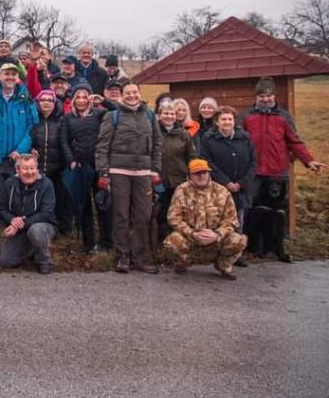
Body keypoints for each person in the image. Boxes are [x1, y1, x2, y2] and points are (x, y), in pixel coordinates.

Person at [240, 77, 325, 261]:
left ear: (274, 96)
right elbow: (239, 141)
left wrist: (308, 160)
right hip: (254, 172)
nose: (265, 99)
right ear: (256, 97)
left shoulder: (284, 116)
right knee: (250, 210)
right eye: (262, 96)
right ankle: (251, 246)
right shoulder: (246, 116)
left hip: (277, 172)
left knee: (277, 213)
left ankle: (276, 245)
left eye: (269, 95)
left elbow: (294, 141)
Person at [95, 83, 162, 274]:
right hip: (119, 172)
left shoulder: (150, 116)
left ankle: (141, 257)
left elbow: (157, 144)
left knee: (143, 216)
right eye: (128, 93)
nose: (132, 95)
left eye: (135, 92)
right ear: (122, 96)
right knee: (121, 216)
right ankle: (122, 255)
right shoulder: (112, 116)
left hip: (144, 173)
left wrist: (155, 169)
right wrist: (103, 172)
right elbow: (102, 146)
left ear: (140, 94)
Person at [0, 62, 38, 257]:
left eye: (13, 74)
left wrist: (21, 150)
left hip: (16, 160)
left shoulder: (25, 99)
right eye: (6, 74)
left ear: (17, 77)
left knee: (17, 200)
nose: (10, 77)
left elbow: (32, 127)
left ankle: (18, 240)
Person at [164, 159, 248, 280]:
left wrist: (217, 234)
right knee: (172, 240)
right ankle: (183, 263)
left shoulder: (222, 191)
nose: (201, 176)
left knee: (238, 240)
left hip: (216, 239)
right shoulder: (181, 191)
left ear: (209, 173)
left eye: (204, 172)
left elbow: (232, 220)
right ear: (190, 175)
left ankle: (223, 266)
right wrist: (193, 233)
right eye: (197, 173)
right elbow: (173, 218)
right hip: (192, 239)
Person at [199, 106, 256, 267]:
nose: (227, 122)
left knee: (238, 221)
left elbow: (253, 162)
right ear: (217, 121)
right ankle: (215, 253)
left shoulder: (245, 137)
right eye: (223, 119)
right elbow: (207, 162)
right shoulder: (208, 139)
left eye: (230, 119)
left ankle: (235, 254)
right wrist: (226, 182)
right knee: (216, 221)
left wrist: (241, 183)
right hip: (218, 188)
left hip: (240, 188)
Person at [60, 83, 113, 253]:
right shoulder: (68, 118)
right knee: (83, 206)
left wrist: (103, 100)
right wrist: (71, 159)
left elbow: (116, 112)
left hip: (98, 166)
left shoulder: (99, 114)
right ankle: (88, 243)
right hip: (80, 166)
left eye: (85, 97)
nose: (82, 100)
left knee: (103, 204)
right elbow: (64, 141)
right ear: (73, 100)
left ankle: (106, 242)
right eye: (78, 97)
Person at [0, 155, 58, 274]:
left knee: (35, 231)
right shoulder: (9, 183)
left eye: (32, 168)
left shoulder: (46, 184)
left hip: (43, 226)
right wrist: (12, 219)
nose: (29, 172)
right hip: (20, 229)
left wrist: (19, 224)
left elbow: (46, 213)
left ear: (37, 169)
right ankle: (31, 251)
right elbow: (1, 208)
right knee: (6, 261)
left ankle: (43, 261)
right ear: (17, 170)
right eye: (25, 168)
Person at [29, 90, 72, 237]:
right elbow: (28, 139)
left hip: (58, 168)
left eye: (50, 100)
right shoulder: (33, 121)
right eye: (43, 100)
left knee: (60, 199)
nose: (46, 103)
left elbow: (66, 142)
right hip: (38, 168)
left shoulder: (61, 121)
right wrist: (30, 149)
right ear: (38, 103)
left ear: (55, 104)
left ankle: (61, 227)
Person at [155, 101, 196, 252]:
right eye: (166, 113)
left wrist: (192, 175)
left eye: (172, 113)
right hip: (158, 181)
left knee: (178, 214)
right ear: (159, 115)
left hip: (179, 181)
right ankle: (160, 246)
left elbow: (192, 156)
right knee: (160, 213)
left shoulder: (183, 134)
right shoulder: (153, 132)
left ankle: (178, 247)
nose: (169, 116)